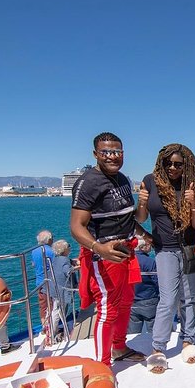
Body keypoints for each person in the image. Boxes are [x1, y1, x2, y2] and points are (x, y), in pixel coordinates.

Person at [70, 132, 153, 367]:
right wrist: (99, 248)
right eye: (106, 152)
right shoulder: (88, 183)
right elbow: (76, 226)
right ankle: (102, 366)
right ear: (96, 154)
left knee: (126, 302)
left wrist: (146, 235)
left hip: (126, 252)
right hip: (104, 256)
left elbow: (127, 219)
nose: (112, 157)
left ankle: (119, 347)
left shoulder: (123, 180)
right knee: (107, 310)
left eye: (117, 152)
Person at [135, 143, 195, 373]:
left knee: (190, 298)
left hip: (188, 247)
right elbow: (141, 218)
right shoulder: (151, 181)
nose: (172, 167)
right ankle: (158, 347)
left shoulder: (191, 184)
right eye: (168, 163)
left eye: (178, 164)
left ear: (186, 166)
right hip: (164, 249)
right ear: (161, 163)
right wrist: (142, 201)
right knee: (167, 298)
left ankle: (188, 340)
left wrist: (194, 203)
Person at [127, 237, 160, 335]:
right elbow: (157, 281)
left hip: (132, 301)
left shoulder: (128, 261)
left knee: (132, 334)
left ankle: (133, 348)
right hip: (149, 300)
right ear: (143, 247)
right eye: (148, 244)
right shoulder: (150, 262)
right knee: (155, 332)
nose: (150, 246)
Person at [51, 239, 79, 338]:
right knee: (61, 311)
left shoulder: (56, 259)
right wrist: (77, 268)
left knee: (56, 310)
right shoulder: (65, 260)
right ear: (65, 249)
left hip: (55, 289)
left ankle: (52, 330)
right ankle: (53, 332)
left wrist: (72, 261)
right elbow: (67, 271)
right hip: (63, 290)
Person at [31, 230, 56, 334]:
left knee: (43, 305)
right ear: (49, 239)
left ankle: (44, 326)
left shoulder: (34, 251)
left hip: (39, 282)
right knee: (54, 305)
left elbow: (33, 264)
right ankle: (53, 327)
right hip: (51, 282)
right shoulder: (51, 251)